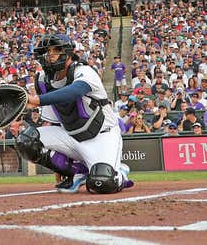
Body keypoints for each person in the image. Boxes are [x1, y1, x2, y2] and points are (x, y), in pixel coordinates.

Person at [17, 34, 133, 194]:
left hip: (102, 135)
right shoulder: (44, 80)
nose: (50, 56)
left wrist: (37, 100)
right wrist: (58, 165)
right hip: (70, 134)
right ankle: (76, 172)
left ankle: (119, 172)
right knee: (27, 140)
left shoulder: (84, 70)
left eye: (55, 51)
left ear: (68, 53)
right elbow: (54, 121)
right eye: (48, 51)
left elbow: (74, 91)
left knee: (102, 183)